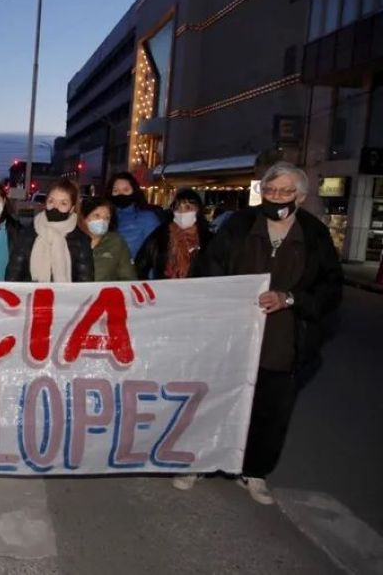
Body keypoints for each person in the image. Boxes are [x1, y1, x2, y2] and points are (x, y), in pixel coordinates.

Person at [173, 162, 343, 504]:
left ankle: (254, 471)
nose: (275, 197)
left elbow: (330, 288)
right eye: (270, 190)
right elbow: (209, 268)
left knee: (270, 409)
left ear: (300, 196)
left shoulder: (314, 235)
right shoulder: (239, 225)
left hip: (283, 337)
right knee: (215, 399)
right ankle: (200, 461)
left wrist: (290, 298)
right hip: (233, 334)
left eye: (284, 191)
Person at [22, 178, 94, 283]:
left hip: (66, 293)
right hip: (31, 292)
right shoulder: (30, 231)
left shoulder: (81, 239)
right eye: (51, 201)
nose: (55, 207)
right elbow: (15, 269)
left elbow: (85, 280)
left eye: (63, 203)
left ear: (72, 208)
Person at [136, 188, 211, 280]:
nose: (182, 212)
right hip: (165, 288)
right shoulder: (160, 236)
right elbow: (140, 265)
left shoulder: (208, 239)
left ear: (198, 211)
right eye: (177, 208)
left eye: (188, 208)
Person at [79, 197, 136, 282]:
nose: (102, 221)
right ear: (84, 218)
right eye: (96, 216)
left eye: (107, 218)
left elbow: (128, 276)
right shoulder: (72, 240)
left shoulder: (116, 241)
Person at [107, 171, 160, 260]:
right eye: (116, 191)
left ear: (134, 191)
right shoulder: (104, 217)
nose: (120, 194)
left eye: (126, 190)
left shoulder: (148, 218)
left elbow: (155, 254)